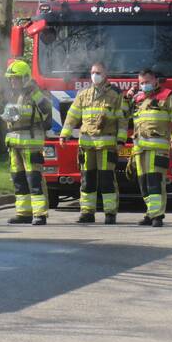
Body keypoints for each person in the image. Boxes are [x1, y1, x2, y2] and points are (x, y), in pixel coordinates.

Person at [59, 62, 127, 224]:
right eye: (93, 72)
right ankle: (87, 212)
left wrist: (121, 140)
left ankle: (110, 213)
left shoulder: (116, 95)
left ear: (105, 75)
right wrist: (64, 134)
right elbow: (72, 116)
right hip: (87, 145)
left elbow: (122, 120)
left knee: (106, 179)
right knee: (87, 179)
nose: (94, 75)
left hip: (106, 145)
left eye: (98, 72)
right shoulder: (83, 94)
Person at [129, 68, 172, 227]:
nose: (144, 85)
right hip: (140, 148)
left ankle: (157, 216)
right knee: (143, 182)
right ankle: (150, 212)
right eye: (141, 83)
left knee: (155, 181)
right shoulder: (138, 99)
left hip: (158, 147)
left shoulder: (167, 96)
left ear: (155, 80)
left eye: (147, 82)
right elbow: (124, 114)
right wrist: (129, 95)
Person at [2, 59, 52, 225]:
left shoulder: (35, 93)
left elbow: (46, 109)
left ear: (24, 77)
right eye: (10, 78)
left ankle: (40, 214)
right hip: (14, 143)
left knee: (33, 179)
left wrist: (34, 93)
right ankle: (23, 213)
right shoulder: (12, 94)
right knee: (18, 179)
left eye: (15, 78)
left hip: (31, 142)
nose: (12, 81)